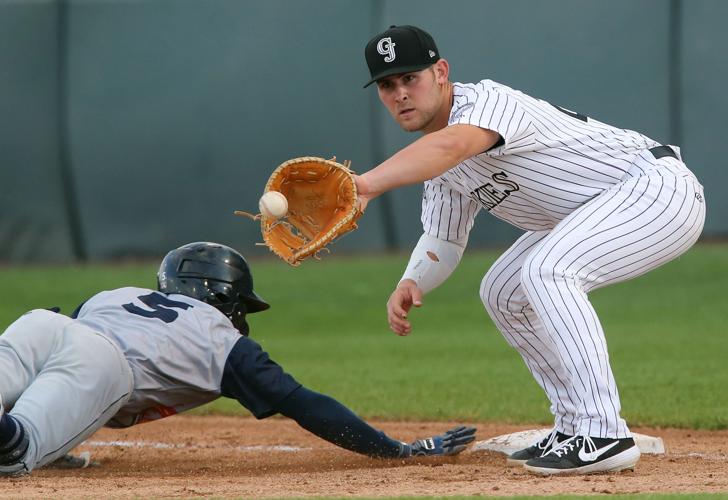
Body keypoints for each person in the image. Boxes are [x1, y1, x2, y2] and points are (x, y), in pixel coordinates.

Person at [354, 25, 706, 475]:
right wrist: (411, 280)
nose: (400, 92)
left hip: (655, 188)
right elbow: (443, 239)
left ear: (441, 72)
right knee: (503, 291)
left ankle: (604, 432)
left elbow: (452, 145)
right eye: (388, 85)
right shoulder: (435, 164)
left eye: (411, 78)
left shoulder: (486, 103)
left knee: (547, 271)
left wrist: (365, 184)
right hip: (600, 207)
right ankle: (575, 423)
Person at [0, 241, 476, 476]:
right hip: (101, 363)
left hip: (46, 322)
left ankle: (44, 437)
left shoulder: (116, 294)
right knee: (16, 454)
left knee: (24, 396)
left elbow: (58, 364)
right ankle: (34, 440)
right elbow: (306, 404)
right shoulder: (221, 341)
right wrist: (397, 450)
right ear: (226, 298)